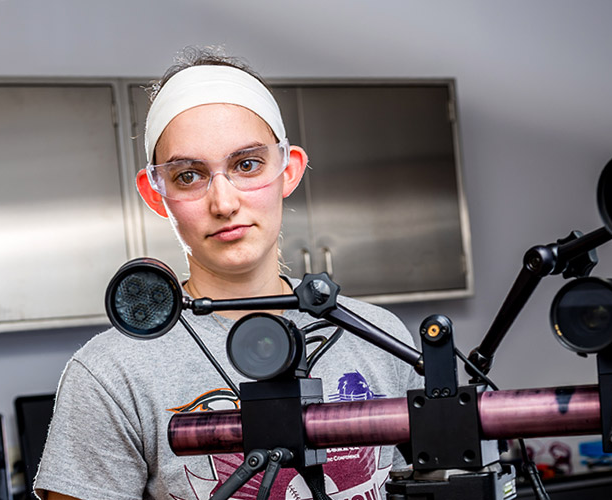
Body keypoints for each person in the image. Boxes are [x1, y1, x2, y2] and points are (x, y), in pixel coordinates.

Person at [35, 47, 423, 500]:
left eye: (246, 165)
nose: (223, 202)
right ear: (155, 192)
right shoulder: (109, 375)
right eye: (188, 176)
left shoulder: (377, 337)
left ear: (289, 170)